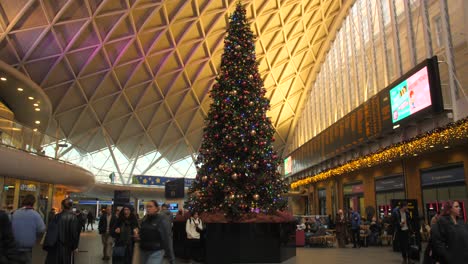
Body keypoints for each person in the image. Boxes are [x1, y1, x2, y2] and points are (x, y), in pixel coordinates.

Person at [11, 194, 46, 264]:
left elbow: (9, 226)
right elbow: (42, 229)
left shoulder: (15, 213)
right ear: (33, 202)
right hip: (28, 247)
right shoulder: (36, 215)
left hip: (14, 246)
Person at [45, 198, 81, 264]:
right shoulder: (74, 218)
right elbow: (74, 234)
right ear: (71, 206)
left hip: (56, 246)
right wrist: (75, 246)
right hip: (67, 247)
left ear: (62, 206)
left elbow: (50, 232)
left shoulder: (56, 217)